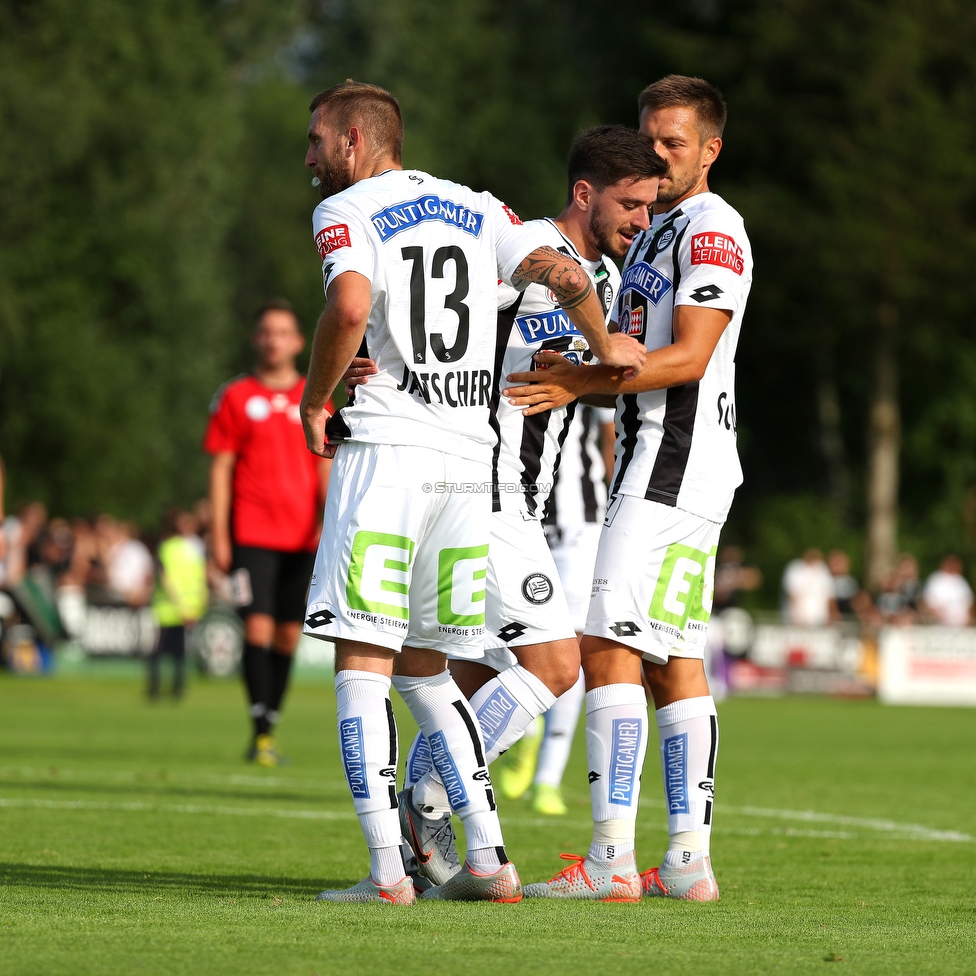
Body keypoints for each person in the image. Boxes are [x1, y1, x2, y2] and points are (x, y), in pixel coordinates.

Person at [299, 82, 645, 904]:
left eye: (315, 139)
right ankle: (489, 859)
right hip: (469, 466)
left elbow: (350, 303)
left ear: (353, 141)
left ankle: (389, 871)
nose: (308, 156)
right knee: (429, 672)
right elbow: (562, 272)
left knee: (363, 663)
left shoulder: (348, 211)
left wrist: (314, 397)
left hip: (388, 454)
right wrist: (606, 344)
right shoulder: (475, 205)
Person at [503, 75, 751, 901]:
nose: (658, 155)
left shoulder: (712, 228)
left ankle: (609, 858)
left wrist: (578, 383)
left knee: (607, 645)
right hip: (674, 460)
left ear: (711, 149)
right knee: (674, 658)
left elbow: (689, 357)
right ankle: (687, 860)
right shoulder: (657, 229)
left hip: (672, 456)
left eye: (674, 142)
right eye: (650, 141)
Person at [381, 128, 665, 849]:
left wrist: (590, 377)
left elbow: (575, 385)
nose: (641, 220)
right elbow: (444, 304)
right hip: (486, 483)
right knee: (555, 666)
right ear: (583, 194)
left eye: (650, 207)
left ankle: (425, 824)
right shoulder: (527, 245)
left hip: (516, 492)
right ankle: (431, 799)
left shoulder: (606, 279)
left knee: (471, 675)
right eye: (630, 204)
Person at [204, 300, 331, 766]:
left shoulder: (316, 394)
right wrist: (218, 536)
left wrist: (329, 525)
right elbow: (220, 470)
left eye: (283, 332)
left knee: (286, 637)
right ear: (256, 339)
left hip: (304, 540)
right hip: (250, 537)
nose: (273, 340)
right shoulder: (235, 397)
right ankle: (259, 729)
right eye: (266, 332)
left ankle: (270, 721)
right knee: (255, 627)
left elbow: (325, 466)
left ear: (299, 342)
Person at [148, 510, 208, 699]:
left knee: (161, 650)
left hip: (170, 607)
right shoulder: (194, 550)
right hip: (185, 607)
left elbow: (165, 577)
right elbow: (199, 580)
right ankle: (175, 690)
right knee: (178, 651)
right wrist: (195, 606)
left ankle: (158, 690)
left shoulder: (169, 547)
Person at [782, 548, 837, 626]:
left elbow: (829, 597)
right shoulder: (795, 569)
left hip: (819, 621)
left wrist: (832, 618)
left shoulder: (822, 570)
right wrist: (796, 619)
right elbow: (792, 596)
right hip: (799, 622)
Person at [921, 555, 974, 626]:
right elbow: (929, 602)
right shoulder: (935, 579)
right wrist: (942, 619)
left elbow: (969, 602)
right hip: (940, 626)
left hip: (961, 627)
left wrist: (968, 620)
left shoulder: (961, 581)